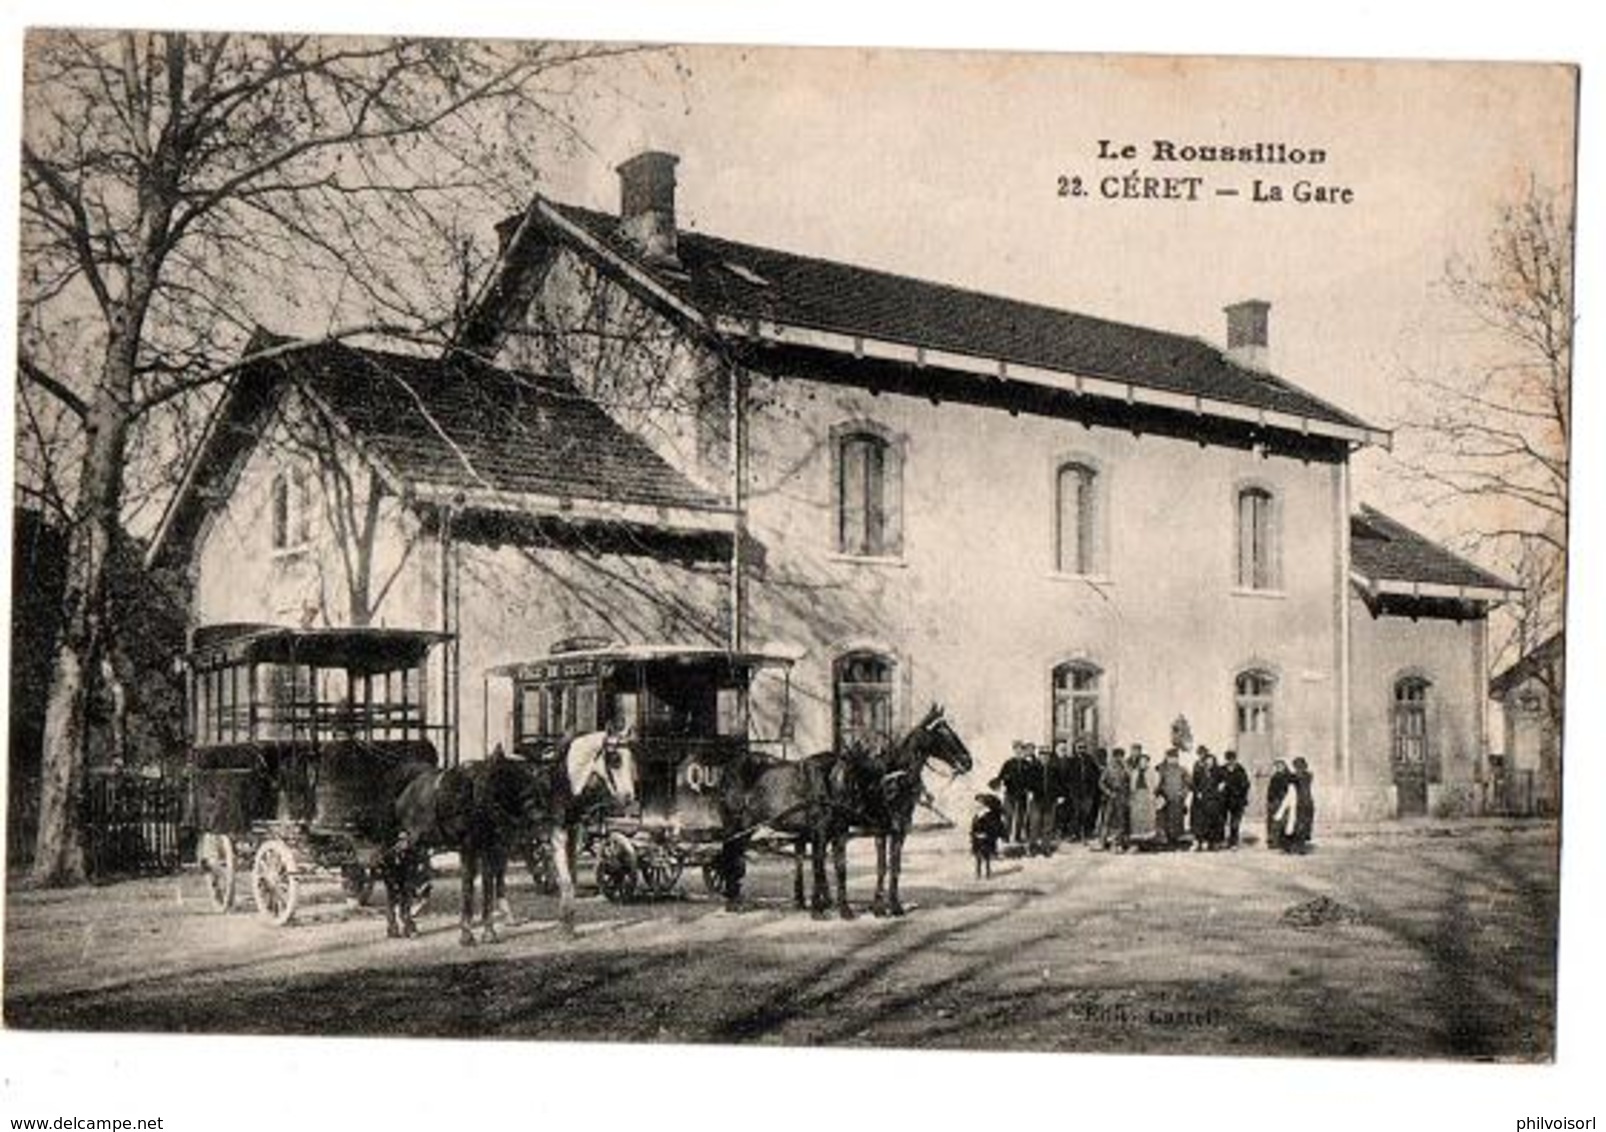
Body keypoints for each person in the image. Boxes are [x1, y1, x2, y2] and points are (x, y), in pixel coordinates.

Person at [992, 742, 1035, 846]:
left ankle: (1018, 836)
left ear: (1023, 751)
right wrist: (999, 783)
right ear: (1014, 750)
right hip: (1010, 793)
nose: (1019, 752)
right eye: (1017, 749)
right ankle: (1006, 836)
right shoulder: (1008, 763)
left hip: (1022, 794)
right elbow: (1000, 776)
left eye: (1021, 749)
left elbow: (1031, 779)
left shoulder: (1027, 764)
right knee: (1008, 815)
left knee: (1020, 816)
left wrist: (1030, 789)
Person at [1154, 747, 1190, 848]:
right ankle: (1168, 841)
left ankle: (1176, 840)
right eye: (1170, 757)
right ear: (1167, 758)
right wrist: (1159, 795)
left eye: (1174, 758)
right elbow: (1158, 784)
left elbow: (1188, 784)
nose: (1172, 760)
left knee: (1177, 821)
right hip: (1167, 800)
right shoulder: (1162, 770)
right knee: (1166, 821)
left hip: (1178, 800)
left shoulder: (1182, 770)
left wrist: (1183, 794)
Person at [1189, 747, 1224, 851]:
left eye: (1211, 761)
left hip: (1213, 801)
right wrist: (1197, 792)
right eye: (1207, 761)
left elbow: (1223, 781)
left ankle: (1212, 843)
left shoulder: (1217, 771)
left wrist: (1221, 787)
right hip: (1201, 801)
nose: (1209, 763)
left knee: (1213, 822)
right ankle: (1199, 843)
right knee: (1200, 822)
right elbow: (1193, 783)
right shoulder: (1199, 770)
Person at [1098, 746, 1131, 851]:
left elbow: (1130, 780)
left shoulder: (1125, 768)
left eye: (1121, 756)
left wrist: (1126, 768)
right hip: (1110, 797)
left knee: (1121, 820)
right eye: (1117, 756)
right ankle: (1102, 842)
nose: (1119, 758)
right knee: (1107, 820)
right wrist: (1109, 792)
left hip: (1122, 797)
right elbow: (1101, 783)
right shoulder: (1109, 768)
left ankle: (1118, 842)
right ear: (1113, 757)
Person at [1281, 756, 1316, 854]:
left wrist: (1286, 771)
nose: (1297, 768)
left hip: (1302, 803)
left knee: (1299, 825)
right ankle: (1299, 847)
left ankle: (1297, 847)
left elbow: (1290, 779)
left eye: (1298, 766)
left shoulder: (1300, 776)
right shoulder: (1308, 775)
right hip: (1308, 802)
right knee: (1302, 825)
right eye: (1296, 766)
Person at [970, 793, 1007, 878]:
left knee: (986, 857)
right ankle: (978, 873)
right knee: (978, 858)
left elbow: (993, 827)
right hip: (977, 838)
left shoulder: (990, 815)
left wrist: (986, 834)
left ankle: (987, 873)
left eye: (980, 803)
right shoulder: (978, 814)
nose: (977, 805)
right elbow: (973, 826)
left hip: (986, 839)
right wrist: (973, 834)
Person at [1220, 750, 1251, 848]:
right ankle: (1222, 840)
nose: (1231, 762)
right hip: (1224, 800)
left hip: (1237, 800)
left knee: (1235, 822)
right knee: (1222, 821)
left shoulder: (1240, 770)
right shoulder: (1222, 769)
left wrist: (1240, 792)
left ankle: (1234, 842)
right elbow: (1217, 782)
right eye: (1228, 760)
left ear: (1235, 760)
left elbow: (1246, 784)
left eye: (1232, 760)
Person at [1127, 750, 1156, 847]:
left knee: (1147, 817)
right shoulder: (1135, 772)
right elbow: (1132, 785)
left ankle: (1147, 840)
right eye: (1141, 761)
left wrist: (1152, 794)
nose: (1143, 763)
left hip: (1147, 795)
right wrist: (1132, 795)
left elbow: (1154, 784)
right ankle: (1137, 839)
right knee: (1136, 817)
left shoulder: (1151, 772)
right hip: (1137, 796)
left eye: (1145, 761)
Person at [1265, 759, 1293, 851]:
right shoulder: (1275, 776)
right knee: (1273, 821)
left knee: (1283, 821)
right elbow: (1270, 790)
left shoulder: (1289, 776)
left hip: (1284, 801)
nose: (1278, 768)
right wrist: (1269, 801)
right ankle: (1273, 842)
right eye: (1277, 766)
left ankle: (1282, 841)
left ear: (1284, 766)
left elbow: (1290, 790)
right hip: (1274, 801)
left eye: (1280, 766)